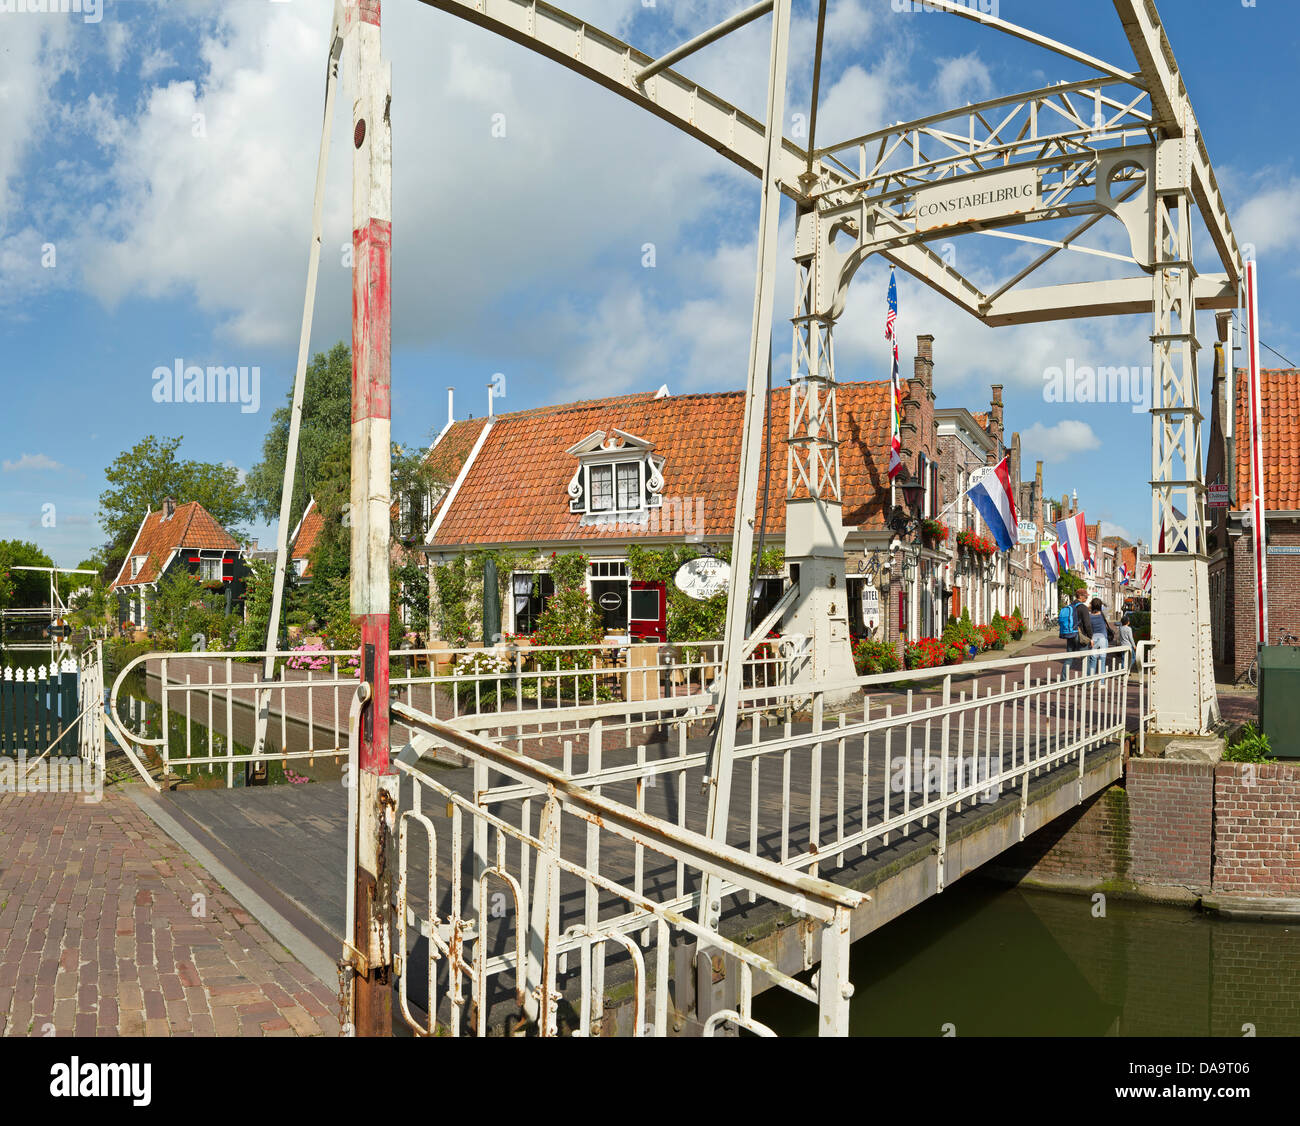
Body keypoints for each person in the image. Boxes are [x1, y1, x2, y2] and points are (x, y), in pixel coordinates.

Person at [1085, 596, 1111, 675]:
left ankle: (1091, 681)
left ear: (1092, 606)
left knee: (1093, 661)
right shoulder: (1103, 614)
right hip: (1103, 639)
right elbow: (1109, 606)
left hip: (1094, 639)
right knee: (1102, 662)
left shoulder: (1089, 616)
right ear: (1100, 606)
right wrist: (1101, 602)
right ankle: (1102, 683)